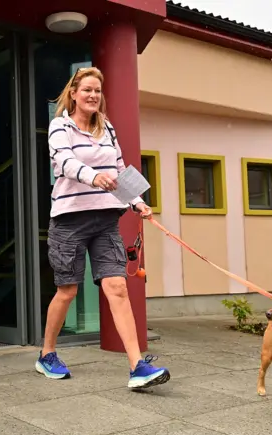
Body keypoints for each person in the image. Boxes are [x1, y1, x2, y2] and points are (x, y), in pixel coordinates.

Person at [36, 66, 171, 389]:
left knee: (118, 288)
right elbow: (64, 163)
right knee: (67, 290)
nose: (93, 95)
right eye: (87, 90)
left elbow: (120, 169)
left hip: (106, 219)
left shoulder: (107, 128)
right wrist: (92, 176)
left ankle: (137, 366)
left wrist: (137, 201)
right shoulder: (60, 127)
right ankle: (47, 353)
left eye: (97, 91)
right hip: (69, 221)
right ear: (73, 93)